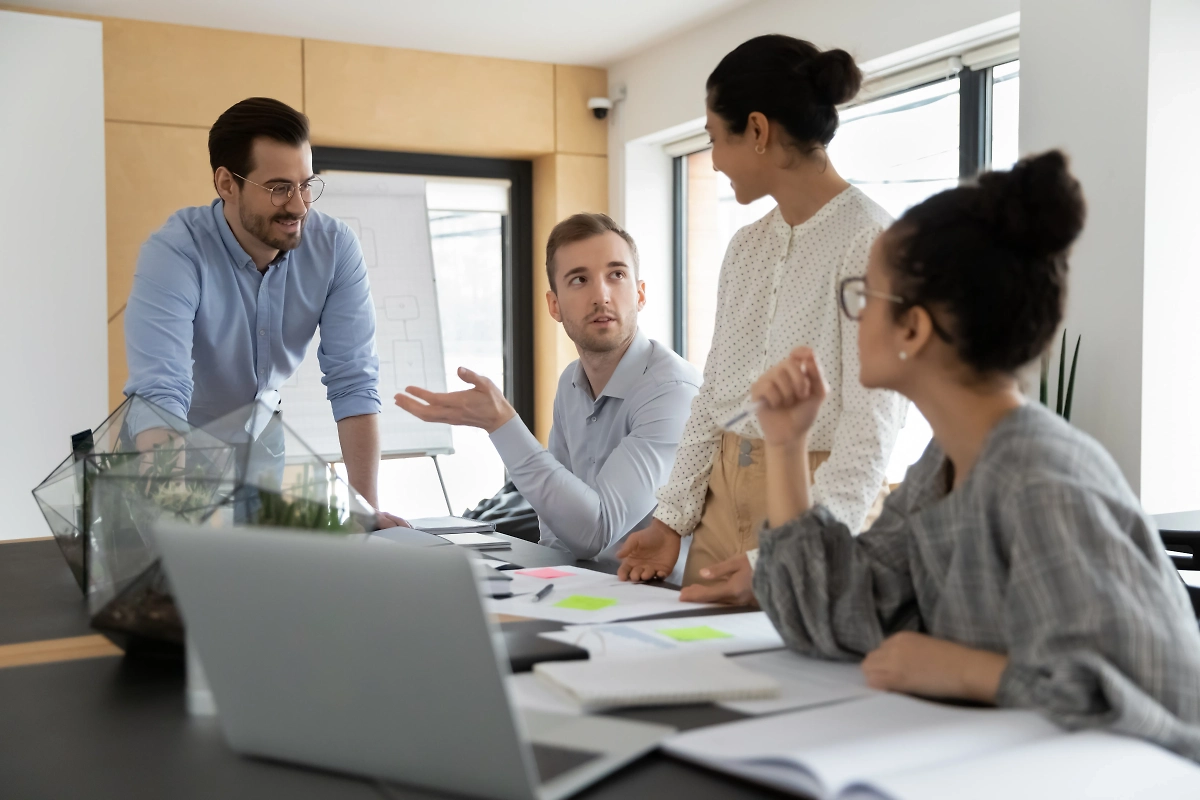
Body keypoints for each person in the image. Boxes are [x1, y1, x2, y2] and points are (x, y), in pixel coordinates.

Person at [699, 151, 1200, 760]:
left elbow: (1151, 713)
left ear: (912, 329)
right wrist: (785, 444)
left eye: (863, 297)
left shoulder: (1041, 480)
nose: (853, 318)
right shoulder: (942, 468)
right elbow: (828, 614)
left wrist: (967, 670)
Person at [618, 35, 906, 586]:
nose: (713, 159)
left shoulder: (872, 242)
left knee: (794, 670)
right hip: (720, 498)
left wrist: (785, 557)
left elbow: (872, 431)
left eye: (713, 138)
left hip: (820, 502)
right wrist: (671, 518)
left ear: (756, 130)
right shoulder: (745, 247)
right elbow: (716, 396)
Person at [123, 97, 397, 520]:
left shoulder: (334, 247)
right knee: (166, 577)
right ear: (226, 183)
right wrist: (170, 506)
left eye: (306, 184)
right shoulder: (175, 252)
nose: (299, 205)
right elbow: (162, 393)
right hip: (170, 441)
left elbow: (353, 380)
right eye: (279, 188)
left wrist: (367, 511)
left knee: (260, 575)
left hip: (260, 434)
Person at [396, 213, 701, 563]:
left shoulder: (672, 390)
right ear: (554, 305)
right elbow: (557, 531)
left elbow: (596, 531)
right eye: (579, 280)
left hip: (659, 603)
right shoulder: (572, 383)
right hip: (590, 592)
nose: (601, 295)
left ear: (640, 293)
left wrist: (502, 424)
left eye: (616, 275)